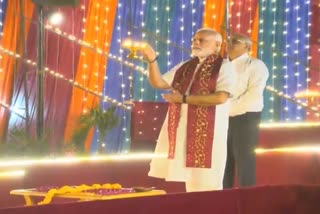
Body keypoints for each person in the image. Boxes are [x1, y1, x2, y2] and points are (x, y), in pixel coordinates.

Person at [139, 28, 236, 192]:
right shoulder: (186, 66)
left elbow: (220, 98)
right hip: (183, 131)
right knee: (191, 183)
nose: (196, 43)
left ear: (217, 45)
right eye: (194, 40)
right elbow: (160, 83)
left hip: (209, 135)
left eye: (202, 40)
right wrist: (152, 60)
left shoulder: (225, 67)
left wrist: (183, 99)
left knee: (208, 183)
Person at [223, 33, 269, 188]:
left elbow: (254, 93)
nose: (230, 44)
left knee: (245, 161)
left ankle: (247, 202)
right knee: (222, 161)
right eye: (228, 41)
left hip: (246, 117)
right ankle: (222, 201)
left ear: (247, 47)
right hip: (221, 118)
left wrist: (227, 108)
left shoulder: (255, 65)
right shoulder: (221, 65)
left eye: (235, 41)